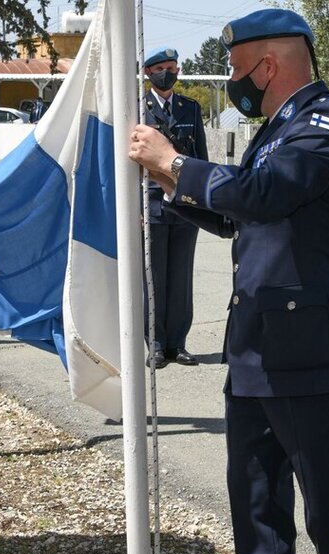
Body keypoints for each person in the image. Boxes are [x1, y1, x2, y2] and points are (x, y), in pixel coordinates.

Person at [129, 9, 329, 554]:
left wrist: (176, 162)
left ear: (267, 65)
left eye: (237, 68)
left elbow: (265, 193)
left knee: (326, 505)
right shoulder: (276, 129)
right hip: (255, 345)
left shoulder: (328, 125)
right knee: (255, 502)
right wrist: (172, 184)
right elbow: (242, 213)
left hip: (314, 350)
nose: (233, 82)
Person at [141, 47, 209, 369]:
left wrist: (204, 200)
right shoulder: (138, 109)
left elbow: (201, 158)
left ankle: (177, 344)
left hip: (184, 204)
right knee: (154, 276)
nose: (167, 72)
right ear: (148, 73)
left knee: (181, 276)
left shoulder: (190, 109)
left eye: (172, 67)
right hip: (151, 203)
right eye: (161, 68)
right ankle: (155, 343)